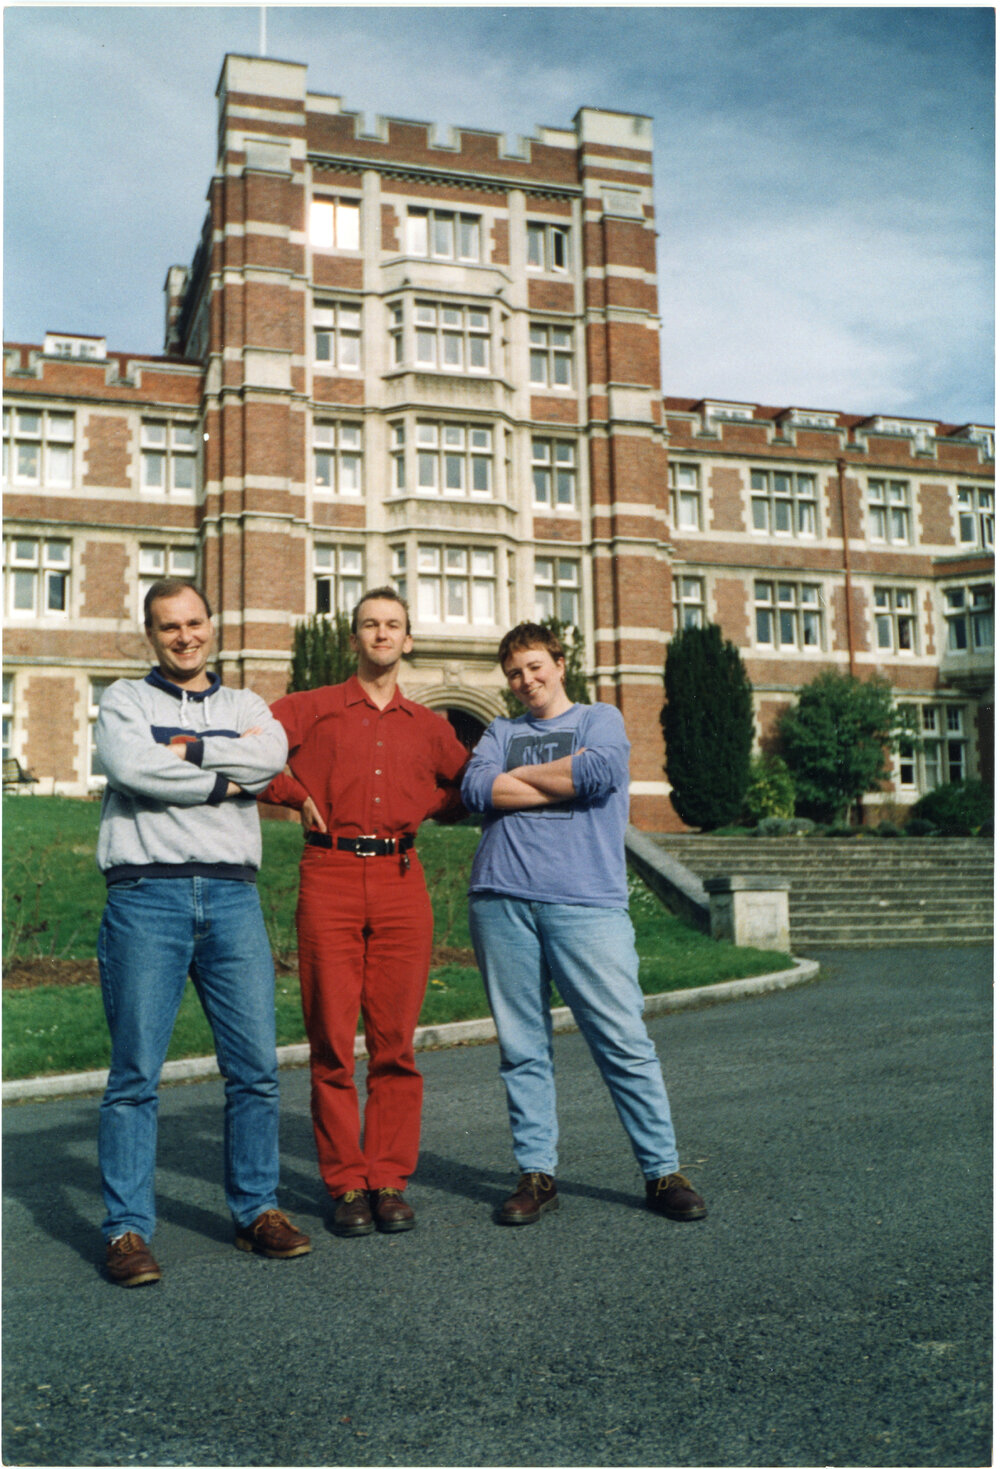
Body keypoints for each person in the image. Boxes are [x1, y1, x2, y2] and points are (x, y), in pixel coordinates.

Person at [95, 579, 311, 1287]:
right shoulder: (125, 700)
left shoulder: (248, 706)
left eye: (193, 623)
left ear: (210, 625)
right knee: (134, 1075)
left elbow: (269, 759)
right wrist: (221, 775)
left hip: (232, 897)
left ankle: (257, 1211)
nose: (184, 637)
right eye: (168, 627)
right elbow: (130, 766)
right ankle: (127, 1229)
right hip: (145, 895)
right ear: (150, 634)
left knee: (254, 1069)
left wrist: (181, 752)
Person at [460, 622, 708, 1227]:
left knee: (623, 1042)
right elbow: (475, 788)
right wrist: (558, 783)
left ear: (560, 664)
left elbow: (595, 774)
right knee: (522, 1048)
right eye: (514, 673)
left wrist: (516, 783)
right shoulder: (500, 731)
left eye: (535, 667)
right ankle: (536, 1174)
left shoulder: (601, 719)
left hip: (586, 903)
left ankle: (662, 1172)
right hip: (500, 897)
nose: (526, 681)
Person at [260, 588, 469, 1237]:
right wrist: (292, 792)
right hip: (330, 875)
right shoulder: (310, 708)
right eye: (370, 624)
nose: (382, 634)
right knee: (330, 1038)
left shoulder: (429, 725)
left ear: (408, 641)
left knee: (394, 1043)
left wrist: (426, 806)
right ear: (353, 638)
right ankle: (346, 1182)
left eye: (393, 625)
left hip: (402, 881)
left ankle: (388, 1178)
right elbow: (247, 748)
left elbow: (467, 785)